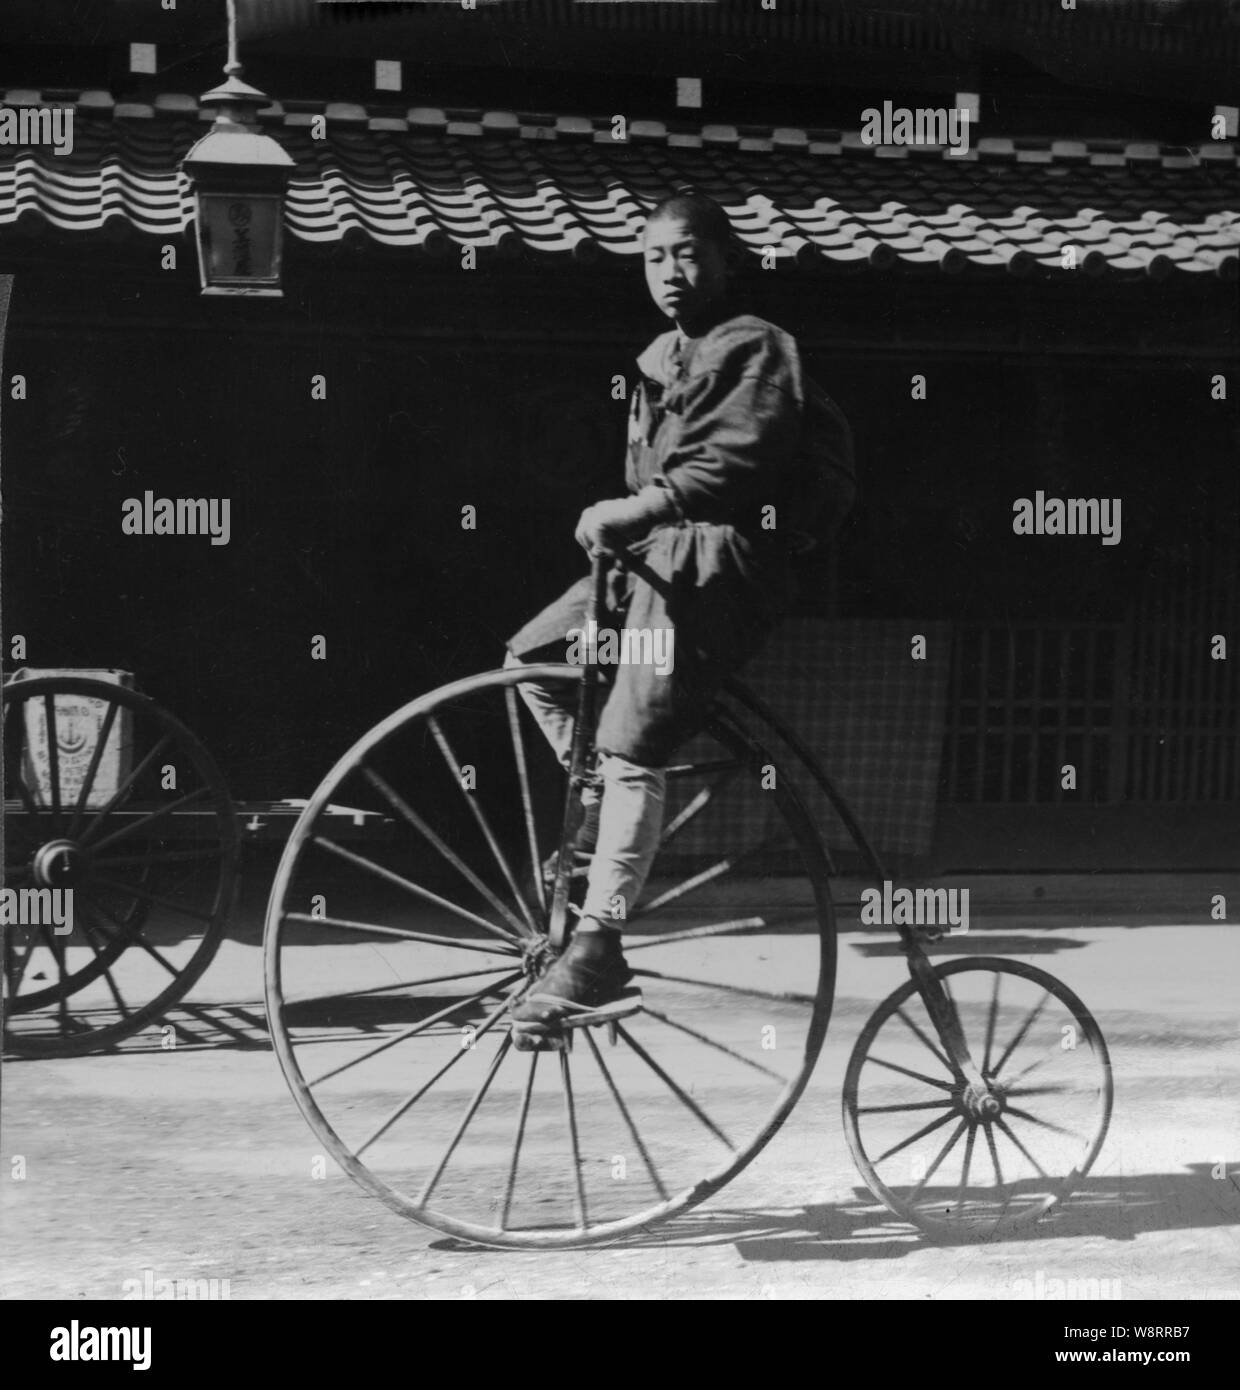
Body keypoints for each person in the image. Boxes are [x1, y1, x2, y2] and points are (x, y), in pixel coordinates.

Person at [505, 189, 849, 1037]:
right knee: (536, 661)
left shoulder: (754, 346)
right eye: (655, 257)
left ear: (729, 260)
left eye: (689, 253)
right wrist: (637, 516)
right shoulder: (663, 358)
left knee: (633, 742)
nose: (671, 271)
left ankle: (600, 946)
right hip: (646, 562)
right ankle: (594, 822)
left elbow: (736, 462)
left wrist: (641, 507)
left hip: (714, 564)